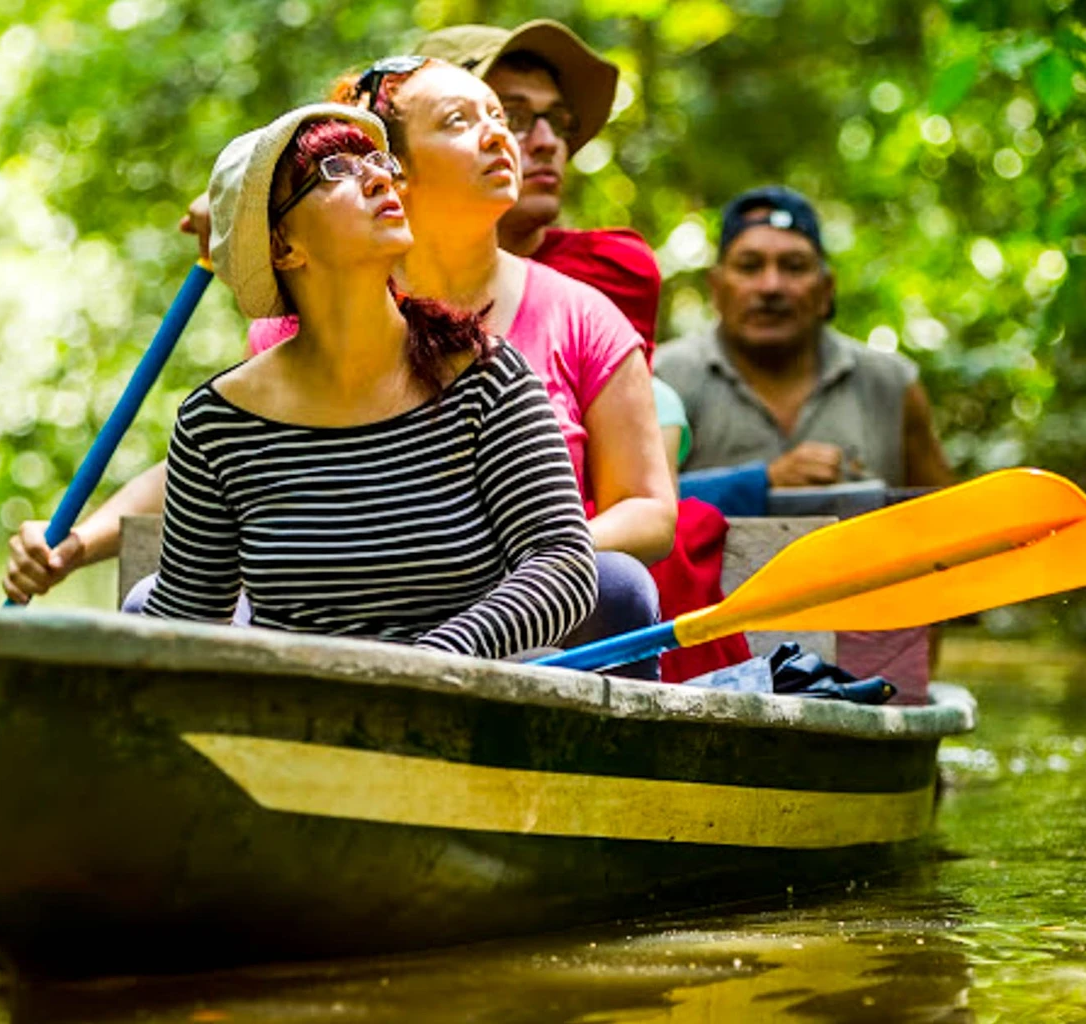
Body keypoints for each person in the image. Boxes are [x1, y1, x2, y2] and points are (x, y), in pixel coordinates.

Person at [141, 103, 597, 659]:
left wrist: (430, 663)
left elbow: (562, 563)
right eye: (336, 171)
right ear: (283, 245)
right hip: (304, 722)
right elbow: (187, 620)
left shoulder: (485, 375)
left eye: (377, 160)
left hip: (474, 710)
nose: (380, 175)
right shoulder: (216, 425)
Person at [415, 20, 690, 468]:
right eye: (512, 117)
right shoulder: (366, 276)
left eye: (558, 121)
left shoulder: (609, 270)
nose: (548, 143)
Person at [656, 186, 955, 506]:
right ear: (716, 288)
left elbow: (946, 514)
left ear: (826, 289)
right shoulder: (665, 378)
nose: (771, 286)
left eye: (794, 266)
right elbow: (625, 504)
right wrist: (761, 482)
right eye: (749, 266)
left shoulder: (889, 385)